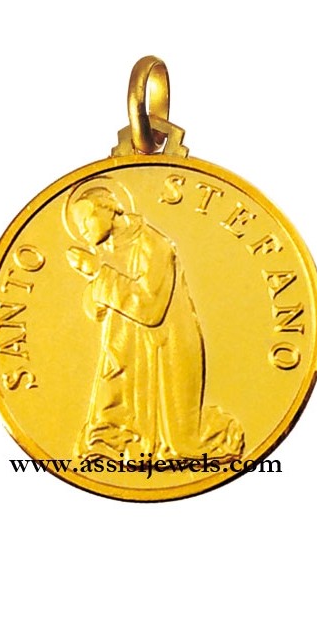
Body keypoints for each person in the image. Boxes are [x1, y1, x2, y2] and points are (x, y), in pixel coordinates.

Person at [64, 181, 243, 465]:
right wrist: (95, 290)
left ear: (108, 209)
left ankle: (220, 432)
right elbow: (99, 307)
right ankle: (115, 441)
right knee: (107, 427)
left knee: (183, 442)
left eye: (85, 220)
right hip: (125, 354)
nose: (82, 231)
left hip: (166, 351)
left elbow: (149, 308)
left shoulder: (155, 245)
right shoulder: (109, 250)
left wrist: (99, 273)